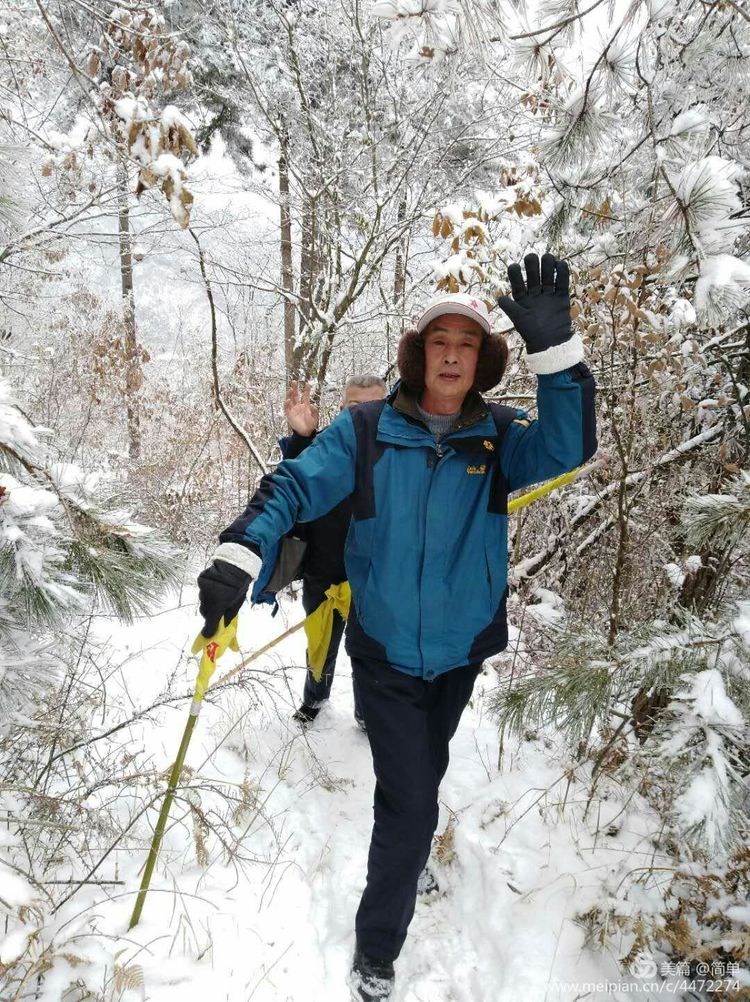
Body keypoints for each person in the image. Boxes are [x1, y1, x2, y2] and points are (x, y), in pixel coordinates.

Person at [197, 254, 597, 1001]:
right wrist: (237, 553)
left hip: (461, 651)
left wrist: (559, 356)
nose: (452, 353)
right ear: (418, 354)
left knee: (426, 769)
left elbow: (571, 446)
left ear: (482, 361)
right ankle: (378, 947)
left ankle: (411, 846)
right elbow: (291, 486)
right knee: (407, 801)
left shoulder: (502, 439)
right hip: (381, 652)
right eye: (439, 340)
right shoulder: (365, 431)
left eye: (468, 343)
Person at [280, 375, 387, 728]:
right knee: (320, 642)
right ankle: (314, 699)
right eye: (356, 407)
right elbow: (299, 481)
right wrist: (301, 438)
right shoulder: (324, 446)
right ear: (342, 410)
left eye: (375, 407)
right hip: (323, 573)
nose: (365, 416)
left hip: (374, 577)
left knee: (368, 650)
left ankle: (367, 711)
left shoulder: (398, 453)